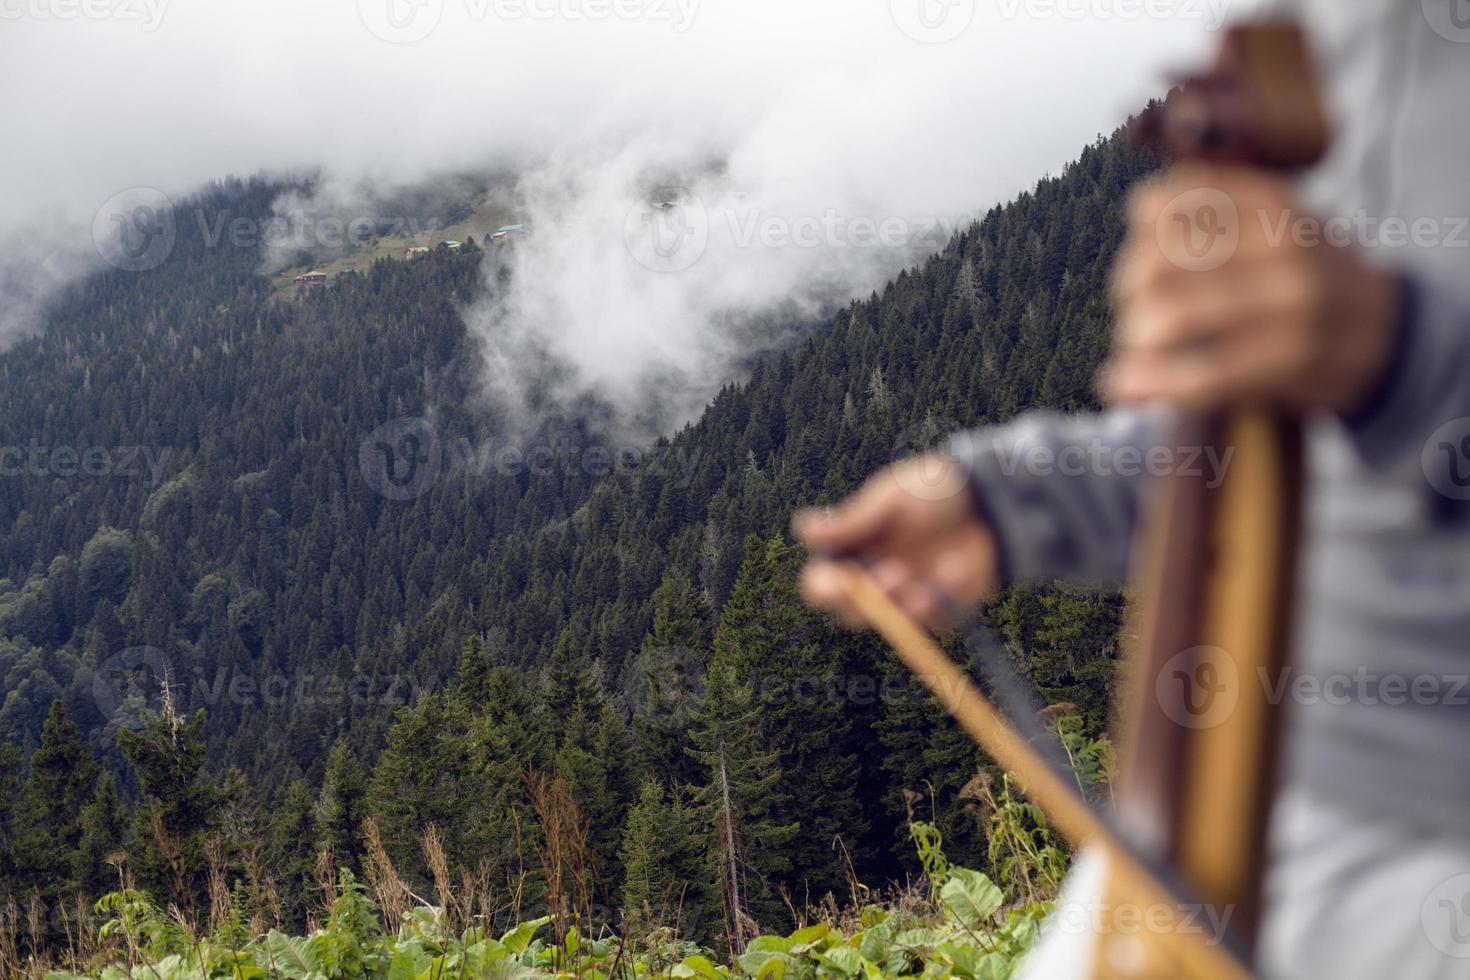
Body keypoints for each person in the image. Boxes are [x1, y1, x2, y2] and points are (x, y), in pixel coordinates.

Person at [795, 3, 1470, 977]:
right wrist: (998, 498)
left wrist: (1407, 360)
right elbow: (1289, 450)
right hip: (1243, 809)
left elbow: (1385, 369)